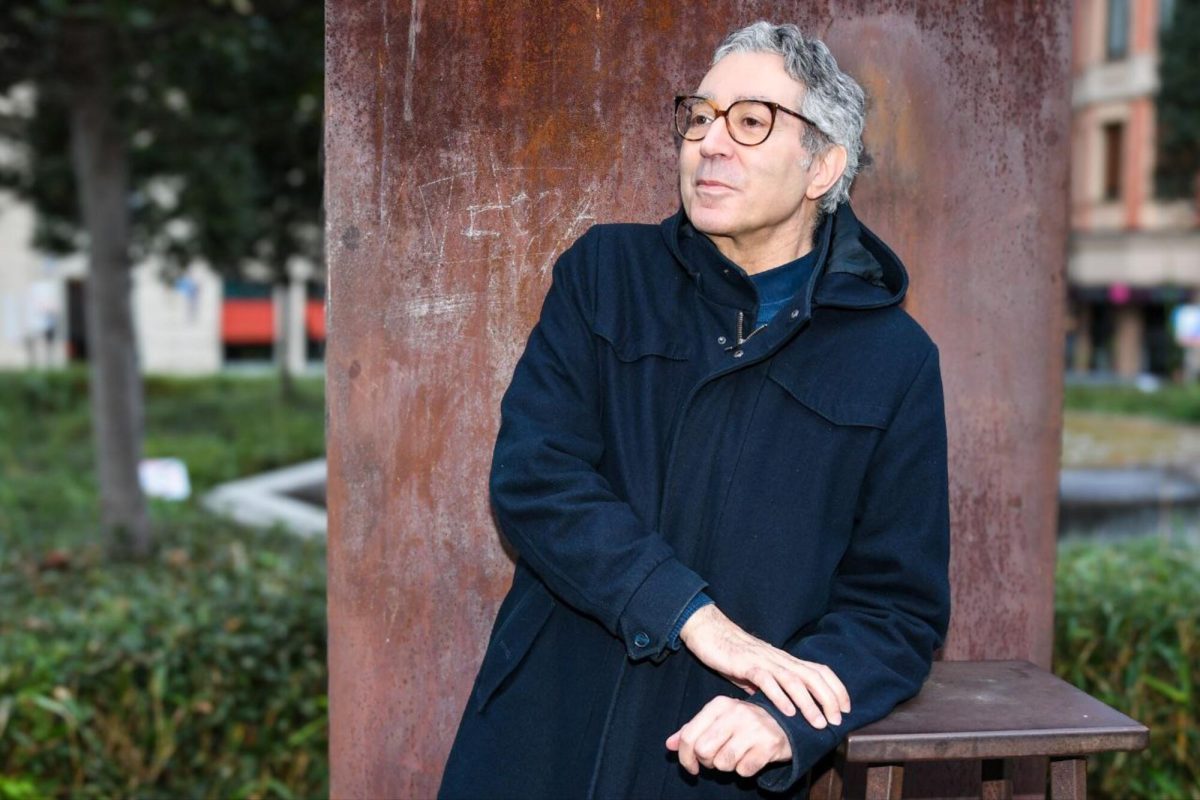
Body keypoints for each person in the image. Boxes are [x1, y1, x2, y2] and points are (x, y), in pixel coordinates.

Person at [439, 20, 950, 799]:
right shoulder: (606, 274)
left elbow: (895, 608)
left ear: (824, 168)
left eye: (751, 122)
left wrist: (786, 720)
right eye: (701, 117)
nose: (711, 142)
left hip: (712, 765)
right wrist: (693, 617)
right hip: (544, 736)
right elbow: (536, 478)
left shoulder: (893, 359)